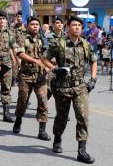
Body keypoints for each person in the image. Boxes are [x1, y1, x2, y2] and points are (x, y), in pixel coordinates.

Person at [42, 16, 97, 164]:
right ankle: (57, 139)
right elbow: (44, 59)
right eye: (74, 25)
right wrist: (55, 69)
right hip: (62, 87)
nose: (77, 27)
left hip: (80, 87)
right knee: (62, 117)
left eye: (79, 25)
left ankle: (81, 151)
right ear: (68, 27)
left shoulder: (85, 44)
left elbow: (93, 61)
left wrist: (93, 79)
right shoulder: (58, 43)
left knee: (83, 117)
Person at [13, 16, 51, 141]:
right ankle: (18, 119)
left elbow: (49, 55)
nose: (35, 26)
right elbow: (20, 53)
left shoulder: (43, 39)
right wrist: (35, 60)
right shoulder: (22, 38)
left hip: (41, 76)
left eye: (37, 24)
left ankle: (42, 130)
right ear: (28, 26)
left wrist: (49, 65)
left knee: (43, 101)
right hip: (26, 75)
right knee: (23, 100)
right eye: (32, 24)